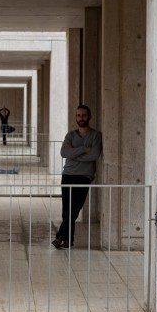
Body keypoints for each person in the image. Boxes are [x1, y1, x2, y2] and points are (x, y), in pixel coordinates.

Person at [52, 105, 102, 250]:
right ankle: (68, 241)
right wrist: (83, 150)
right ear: (75, 117)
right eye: (78, 115)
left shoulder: (95, 135)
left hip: (84, 176)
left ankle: (60, 237)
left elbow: (94, 155)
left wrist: (73, 152)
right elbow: (63, 153)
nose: (81, 118)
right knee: (66, 210)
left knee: (74, 208)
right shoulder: (70, 135)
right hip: (67, 175)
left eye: (84, 115)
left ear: (89, 117)